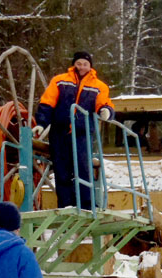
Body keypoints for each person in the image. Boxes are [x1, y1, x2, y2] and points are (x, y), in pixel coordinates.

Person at [34, 51, 115, 210]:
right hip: (59, 131)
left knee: (83, 168)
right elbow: (48, 102)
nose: (82, 67)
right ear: (74, 64)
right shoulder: (60, 81)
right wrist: (41, 123)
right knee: (61, 169)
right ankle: (66, 205)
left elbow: (104, 103)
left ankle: (87, 205)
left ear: (90, 66)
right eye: (79, 63)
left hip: (82, 132)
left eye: (85, 64)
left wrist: (106, 111)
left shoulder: (99, 86)